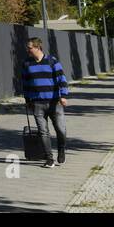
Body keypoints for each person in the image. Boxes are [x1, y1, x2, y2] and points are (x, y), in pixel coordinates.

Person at [22, 37, 70, 168]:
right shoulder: (27, 63)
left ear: (38, 47)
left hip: (55, 102)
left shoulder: (52, 61)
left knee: (61, 129)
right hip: (37, 103)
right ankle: (49, 158)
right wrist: (27, 100)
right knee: (43, 131)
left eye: (30, 48)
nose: (28, 50)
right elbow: (25, 83)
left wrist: (64, 96)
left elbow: (62, 79)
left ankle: (61, 148)